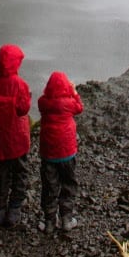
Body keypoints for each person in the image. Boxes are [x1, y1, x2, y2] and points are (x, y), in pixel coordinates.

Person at [0, 43, 32, 228]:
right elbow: (23, 109)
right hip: (17, 140)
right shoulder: (20, 85)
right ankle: (14, 210)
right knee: (19, 173)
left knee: (0, 174)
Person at [38, 70, 84, 234]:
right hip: (67, 154)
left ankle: (50, 222)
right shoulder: (69, 103)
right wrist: (74, 92)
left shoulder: (43, 102)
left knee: (49, 187)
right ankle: (66, 219)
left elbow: (41, 102)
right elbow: (80, 108)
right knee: (68, 184)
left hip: (49, 155)